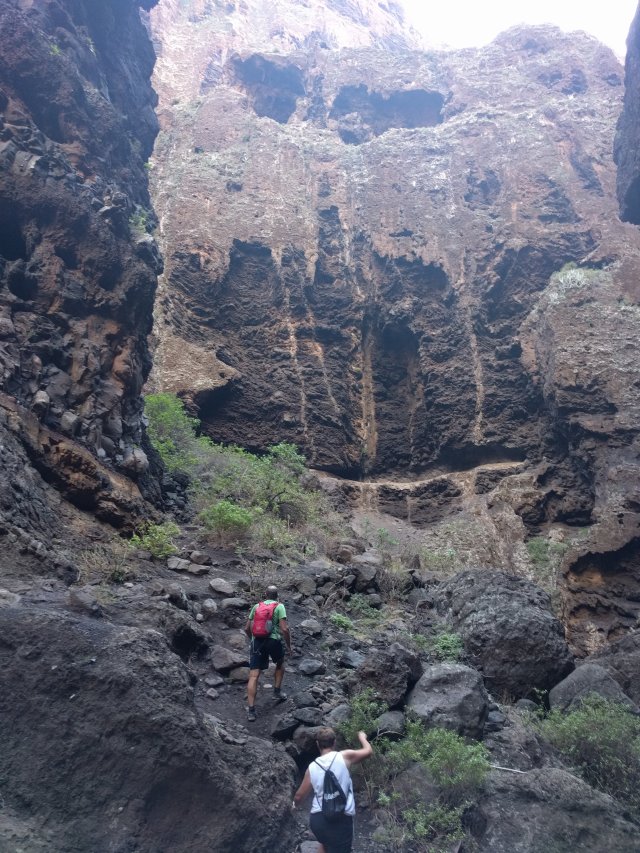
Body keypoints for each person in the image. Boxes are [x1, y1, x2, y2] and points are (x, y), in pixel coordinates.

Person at [292, 727, 373, 853]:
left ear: (317, 744)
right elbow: (368, 751)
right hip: (341, 819)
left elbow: (299, 796)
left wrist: (294, 806)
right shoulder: (345, 756)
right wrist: (362, 737)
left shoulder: (312, 768)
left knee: (325, 843)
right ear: (334, 742)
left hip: (318, 821)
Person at [244, 585, 291, 722]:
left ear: (265, 594)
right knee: (280, 663)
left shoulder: (256, 606)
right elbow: (284, 629)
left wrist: (252, 639)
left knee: (254, 675)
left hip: (257, 642)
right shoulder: (280, 606)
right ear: (277, 595)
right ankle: (277, 691)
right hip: (273, 640)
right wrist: (289, 646)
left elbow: (247, 628)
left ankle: (251, 711)